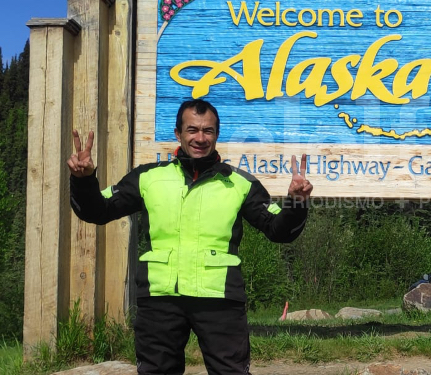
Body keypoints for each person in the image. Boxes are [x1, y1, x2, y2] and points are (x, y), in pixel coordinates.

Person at [67, 99, 312, 375]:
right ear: (178, 134)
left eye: (208, 131)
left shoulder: (241, 183)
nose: (200, 138)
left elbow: (278, 230)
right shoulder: (148, 178)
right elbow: (98, 211)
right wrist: (84, 180)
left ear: (217, 135)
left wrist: (296, 203)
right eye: (192, 130)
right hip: (159, 299)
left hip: (220, 300)